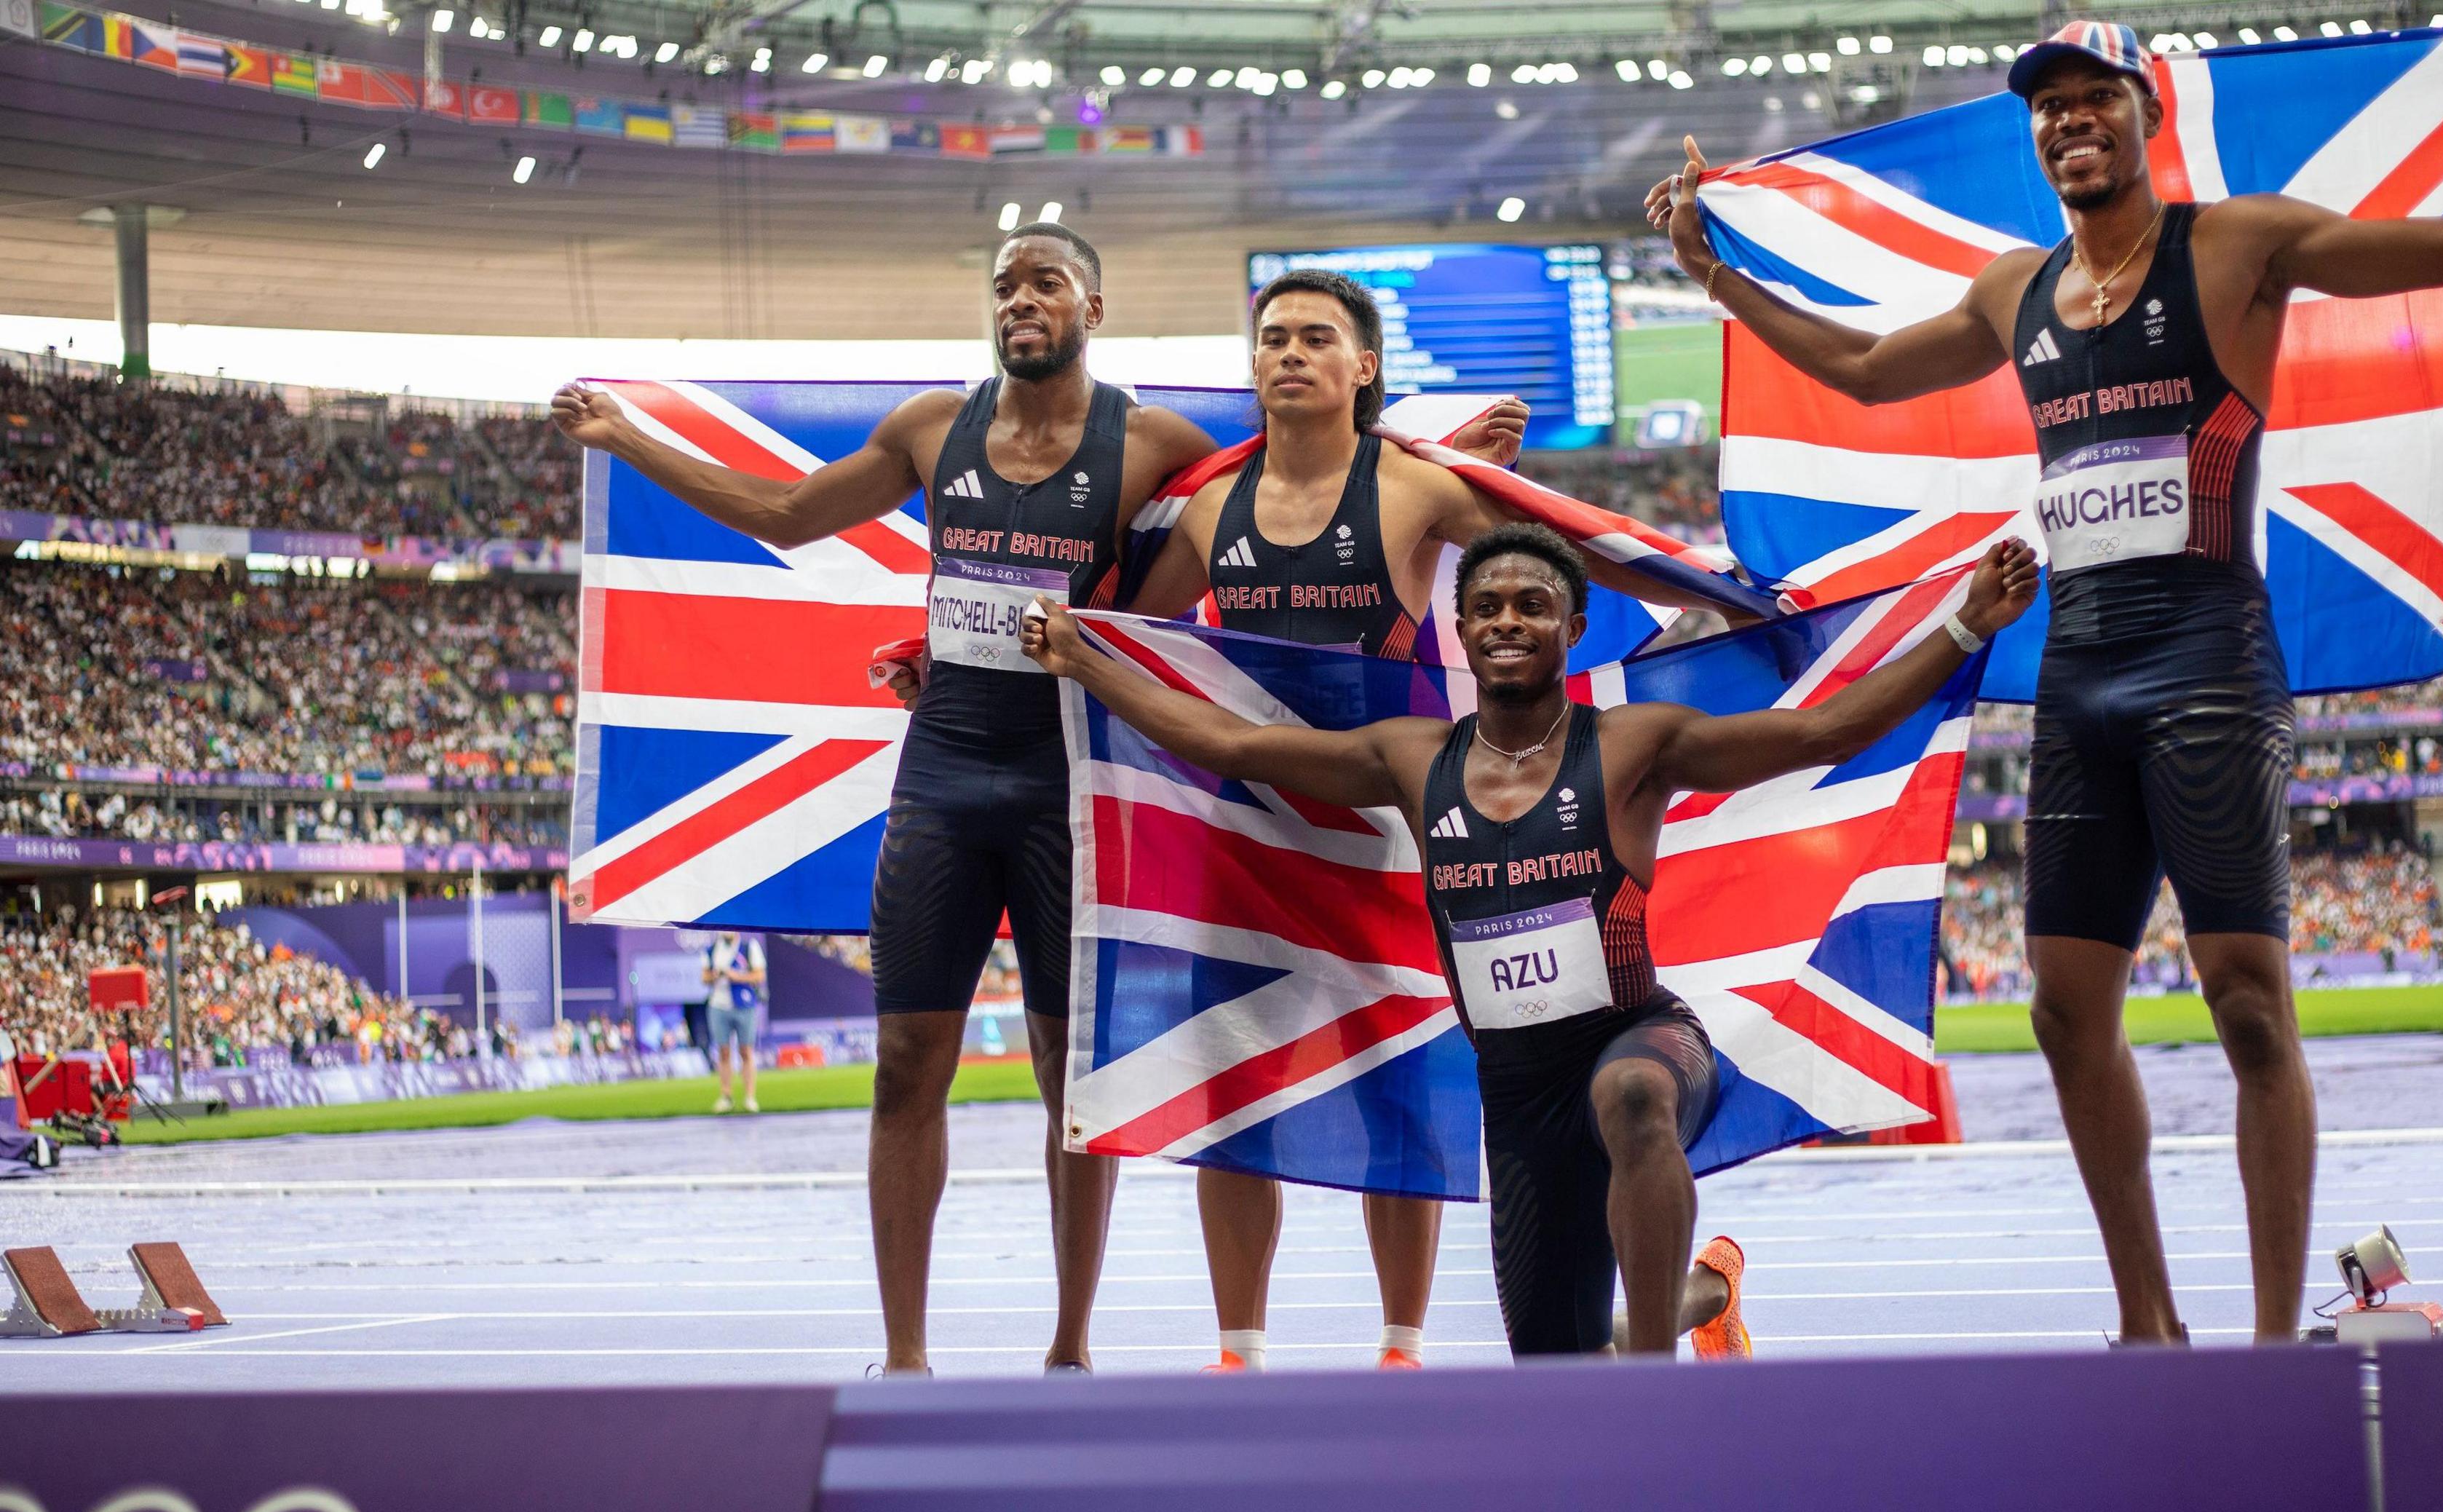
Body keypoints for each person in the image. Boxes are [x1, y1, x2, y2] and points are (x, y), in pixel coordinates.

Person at [1647, 4, 2443, 1341]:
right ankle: (2149, 1323)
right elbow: (1857, 371)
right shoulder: (2014, 292)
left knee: (2251, 1009)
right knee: (2062, 1014)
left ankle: (2267, 1343)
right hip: (2083, 670)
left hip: (2208, 657)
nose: (2071, 121)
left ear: (2145, 115)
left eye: (2096, 99)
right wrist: (1716, 276)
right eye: (2049, 106)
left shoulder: (2239, 245)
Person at [1026, 523, 2041, 1355]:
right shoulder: (1410, 756)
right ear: (1461, 628)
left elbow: (1823, 733)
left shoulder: (1639, 743)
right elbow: (1229, 744)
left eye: (1533, 606)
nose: (1509, 621)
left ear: (1575, 626)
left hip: (1642, 1038)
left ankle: (1652, 1377)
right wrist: (1082, 661)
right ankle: (1701, 1298)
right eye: (1489, 607)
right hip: (1515, 1094)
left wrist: (1963, 623)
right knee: (1558, 1367)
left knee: (1631, 1099)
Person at [552, 222, 1224, 1374]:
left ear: (1093, 311)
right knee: (909, 1062)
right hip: (948, 771)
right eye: (1005, 283)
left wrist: (1436, 449)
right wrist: (628, 438)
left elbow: (1284, 514)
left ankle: (1071, 1346)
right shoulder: (930, 428)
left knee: (1072, 1074)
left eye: (1047, 282)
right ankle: (904, 1353)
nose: (1022, 297)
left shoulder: (1155, 444)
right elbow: (780, 514)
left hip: (1071, 779)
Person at [1123, 269, 1738, 1372]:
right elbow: (1119, 629)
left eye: (1317, 337)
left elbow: (1558, 551)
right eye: (1272, 339)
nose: (1290, 354)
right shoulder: (1213, 506)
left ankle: (1402, 1344)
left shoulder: (1412, 489)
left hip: (1390, 824)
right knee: (1234, 1077)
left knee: (1398, 1077)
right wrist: (967, 657)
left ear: (1365, 368)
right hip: (1254, 822)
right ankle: (1238, 1349)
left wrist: (1711, 585)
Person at [704, 930, 767, 1115]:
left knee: (746, 1051)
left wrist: (735, 976)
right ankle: (726, 1096)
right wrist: (716, 975)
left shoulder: (749, 947)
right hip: (719, 1005)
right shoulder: (712, 949)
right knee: (723, 1051)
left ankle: (750, 1097)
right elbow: (704, 977)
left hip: (744, 1004)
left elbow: (759, 976)